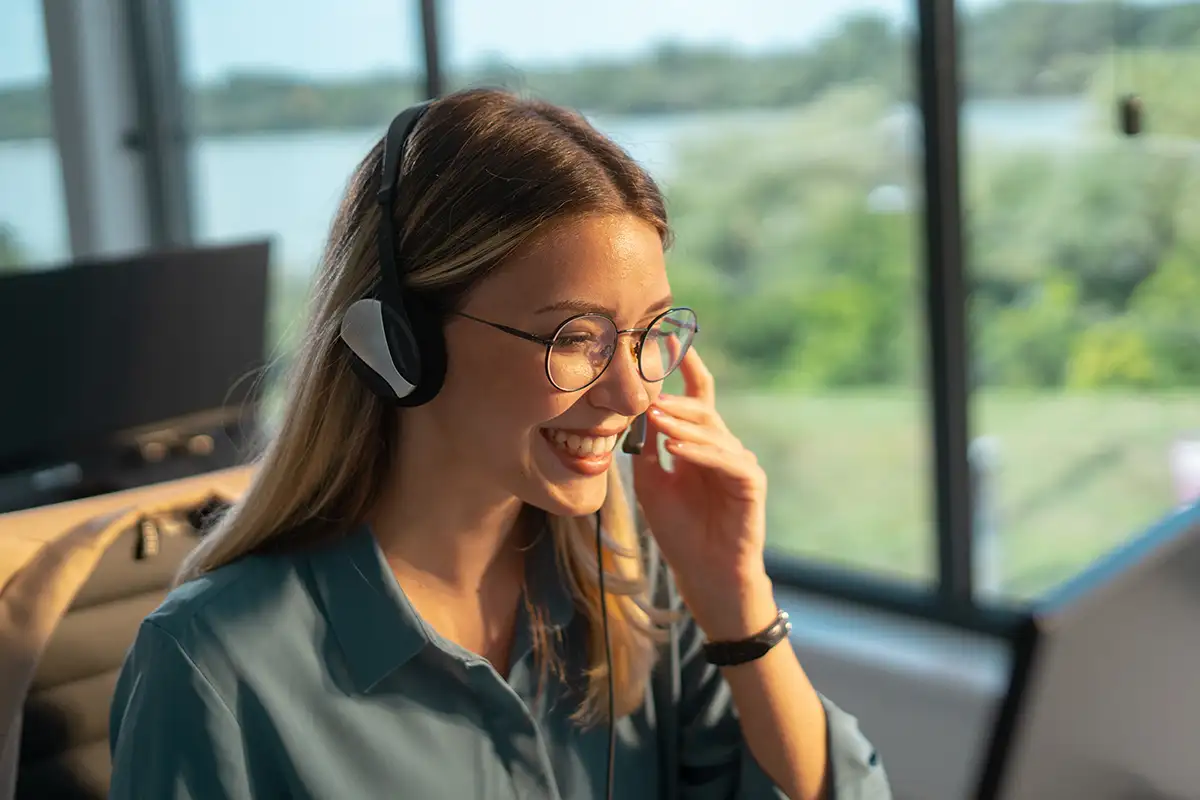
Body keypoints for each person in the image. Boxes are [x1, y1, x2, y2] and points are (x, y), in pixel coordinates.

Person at [108, 88, 892, 800]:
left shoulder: (631, 579)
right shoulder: (214, 666)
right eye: (574, 336)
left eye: (650, 331)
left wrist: (736, 601)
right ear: (401, 343)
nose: (632, 394)